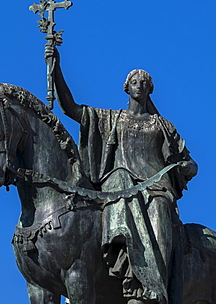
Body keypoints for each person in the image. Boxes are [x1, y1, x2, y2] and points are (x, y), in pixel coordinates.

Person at [47, 45, 198, 304]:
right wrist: (55, 67)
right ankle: (122, 262)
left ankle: (154, 287)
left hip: (155, 188)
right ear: (126, 87)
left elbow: (190, 163)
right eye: (134, 81)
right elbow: (70, 108)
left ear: (150, 89)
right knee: (118, 182)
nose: (139, 84)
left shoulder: (163, 126)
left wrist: (185, 168)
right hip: (120, 185)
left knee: (160, 209)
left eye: (145, 82)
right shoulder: (110, 120)